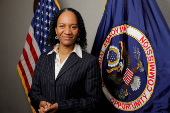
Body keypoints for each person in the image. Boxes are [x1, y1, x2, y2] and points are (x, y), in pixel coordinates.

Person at [28, 8, 102, 113]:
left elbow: (94, 102)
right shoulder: (43, 58)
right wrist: (41, 102)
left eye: (73, 27)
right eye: (62, 26)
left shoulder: (90, 62)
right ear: (56, 29)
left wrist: (60, 106)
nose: (67, 31)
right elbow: (34, 92)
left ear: (79, 31)